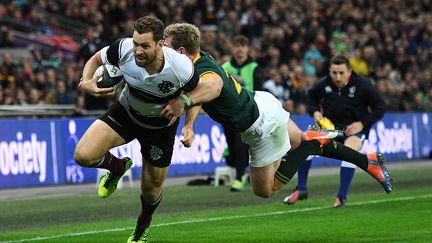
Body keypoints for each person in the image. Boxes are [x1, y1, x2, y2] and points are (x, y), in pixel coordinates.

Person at [162, 23, 392, 205]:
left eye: (166, 46)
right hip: (263, 102)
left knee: (265, 190)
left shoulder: (205, 71)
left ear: (181, 51)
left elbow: (212, 87)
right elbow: (197, 90)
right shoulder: (198, 60)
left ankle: (312, 146)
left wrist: (183, 101)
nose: (162, 50)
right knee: (299, 140)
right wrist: (189, 125)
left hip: (259, 126)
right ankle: (367, 161)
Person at [74, 16, 201, 243]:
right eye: (135, 43)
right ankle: (118, 166)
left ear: (160, 44)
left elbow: (196, 95)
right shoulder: (122, 49)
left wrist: (189, 125)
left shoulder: (181, 68)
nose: (138, 51)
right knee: (83, 155)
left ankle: (143, 226)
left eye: (145, 46)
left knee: (150, 191)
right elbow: (95, 59)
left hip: (160, 128)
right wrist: (87, 80)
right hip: (126, 113)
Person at [283, 55, 386, 208]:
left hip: (353, 131)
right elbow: (311, 97)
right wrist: (315, 112)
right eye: (334, 73)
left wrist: (362, 123)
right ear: (330, 71)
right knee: (306, 146)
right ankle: (301, 188)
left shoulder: (363, 85)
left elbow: (380, 107)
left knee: (349, 151)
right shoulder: (324, 83)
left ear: (349, 71)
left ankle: (341, 198)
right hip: (330, 130)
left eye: (341, 73)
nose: (337, 77)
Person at [221, 35, 263, 192]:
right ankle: (245, 173)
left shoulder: (254, 68)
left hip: (247, 112)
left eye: (242, 45)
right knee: (232, 148)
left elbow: (259, 91)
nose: (240, 48)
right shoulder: (224, 67)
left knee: (241, 144)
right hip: (228, 113)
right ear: (232, 48)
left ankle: (239, 177)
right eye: (237, 45)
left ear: (247, 49)